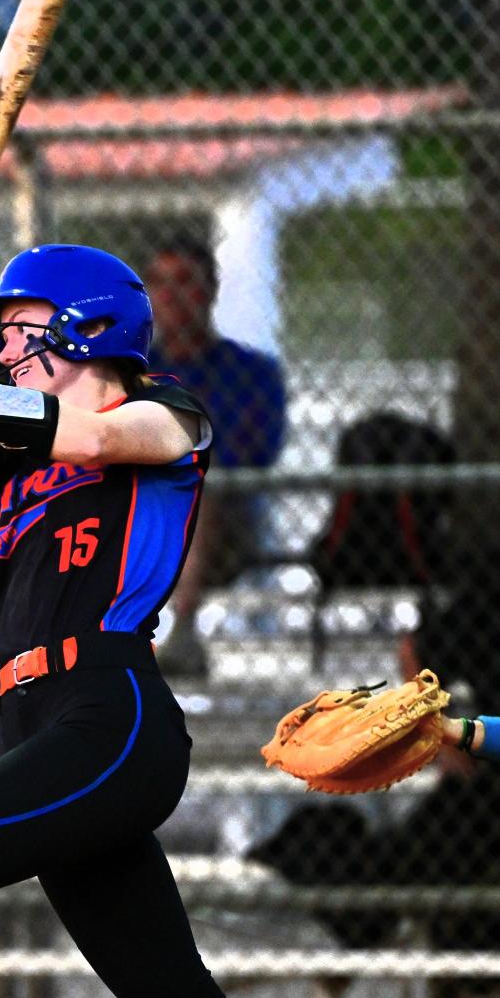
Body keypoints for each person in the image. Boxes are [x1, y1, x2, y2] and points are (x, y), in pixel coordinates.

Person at [0, 244, 372, 998]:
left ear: (84, 328)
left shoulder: (166, 414)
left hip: (109, 717)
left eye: (20, 331)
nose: (5, 350)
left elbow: (90, 436)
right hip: (38, 721)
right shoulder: (12, 457)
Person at [144, 236, 286, 676]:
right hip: (135, 510)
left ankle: (184, 633)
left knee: (195, 471)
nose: (171, 296)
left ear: (210, 291)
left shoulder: (251, 372)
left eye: (184, 281)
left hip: (222, 524)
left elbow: (257, 451)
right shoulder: (131, 369)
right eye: (159, 283)